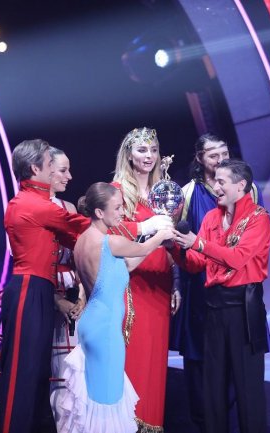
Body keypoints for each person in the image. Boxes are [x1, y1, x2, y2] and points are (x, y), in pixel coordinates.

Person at [54, 182, 175, 432]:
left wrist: (153, 241)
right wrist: (161, 234)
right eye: (117, 208)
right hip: (106, 330)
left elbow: (128, 264)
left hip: (92, 324)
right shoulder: (110, 242)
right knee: (107, 399)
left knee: (95, 398)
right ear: (100, 212)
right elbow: (142, 247)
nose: (122, 213)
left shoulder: (83, 240)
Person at [169, 134, 266, 432]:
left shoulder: (258, 218)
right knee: (211, 382)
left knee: (246, 383)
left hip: (242, 305)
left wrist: (197, 244)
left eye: (223, 183)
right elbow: (196, 263)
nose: (217, 188)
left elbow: (237, 258)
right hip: (211, 304)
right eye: (217, 181)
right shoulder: (211, 216)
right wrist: (177, 248)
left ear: (241, 186)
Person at [0, 139, 89, 433]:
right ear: (35, 169)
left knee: (35, 374)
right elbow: (84, 227)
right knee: (21, 375)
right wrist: (138, 228)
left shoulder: (34, 202)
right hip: (29, 289)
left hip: (39, 289)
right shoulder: (33, 204)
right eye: (50, 165)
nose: (55, 171)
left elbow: (74, 237)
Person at [109, 127, 180, 432]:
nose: (149, 156)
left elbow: (171, 242)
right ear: (129, 154)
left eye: (153, 150)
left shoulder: (164, 191)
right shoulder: (117, 192)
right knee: (133, 354)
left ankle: (151, 423)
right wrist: (147, 229)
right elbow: (111, 237)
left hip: (160, 282)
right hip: (132, 281)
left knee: (154, 355)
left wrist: (176, 281)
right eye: (141, 150)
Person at [46, 148, 87, 412]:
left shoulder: (69, 208)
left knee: (74, 369)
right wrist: (56, 300)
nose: (69, 176)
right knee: (53, 370)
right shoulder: (25, 207)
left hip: (73, 294)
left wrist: (82, 294)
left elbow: (80, 257)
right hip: (45, 295)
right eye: (63, 170)